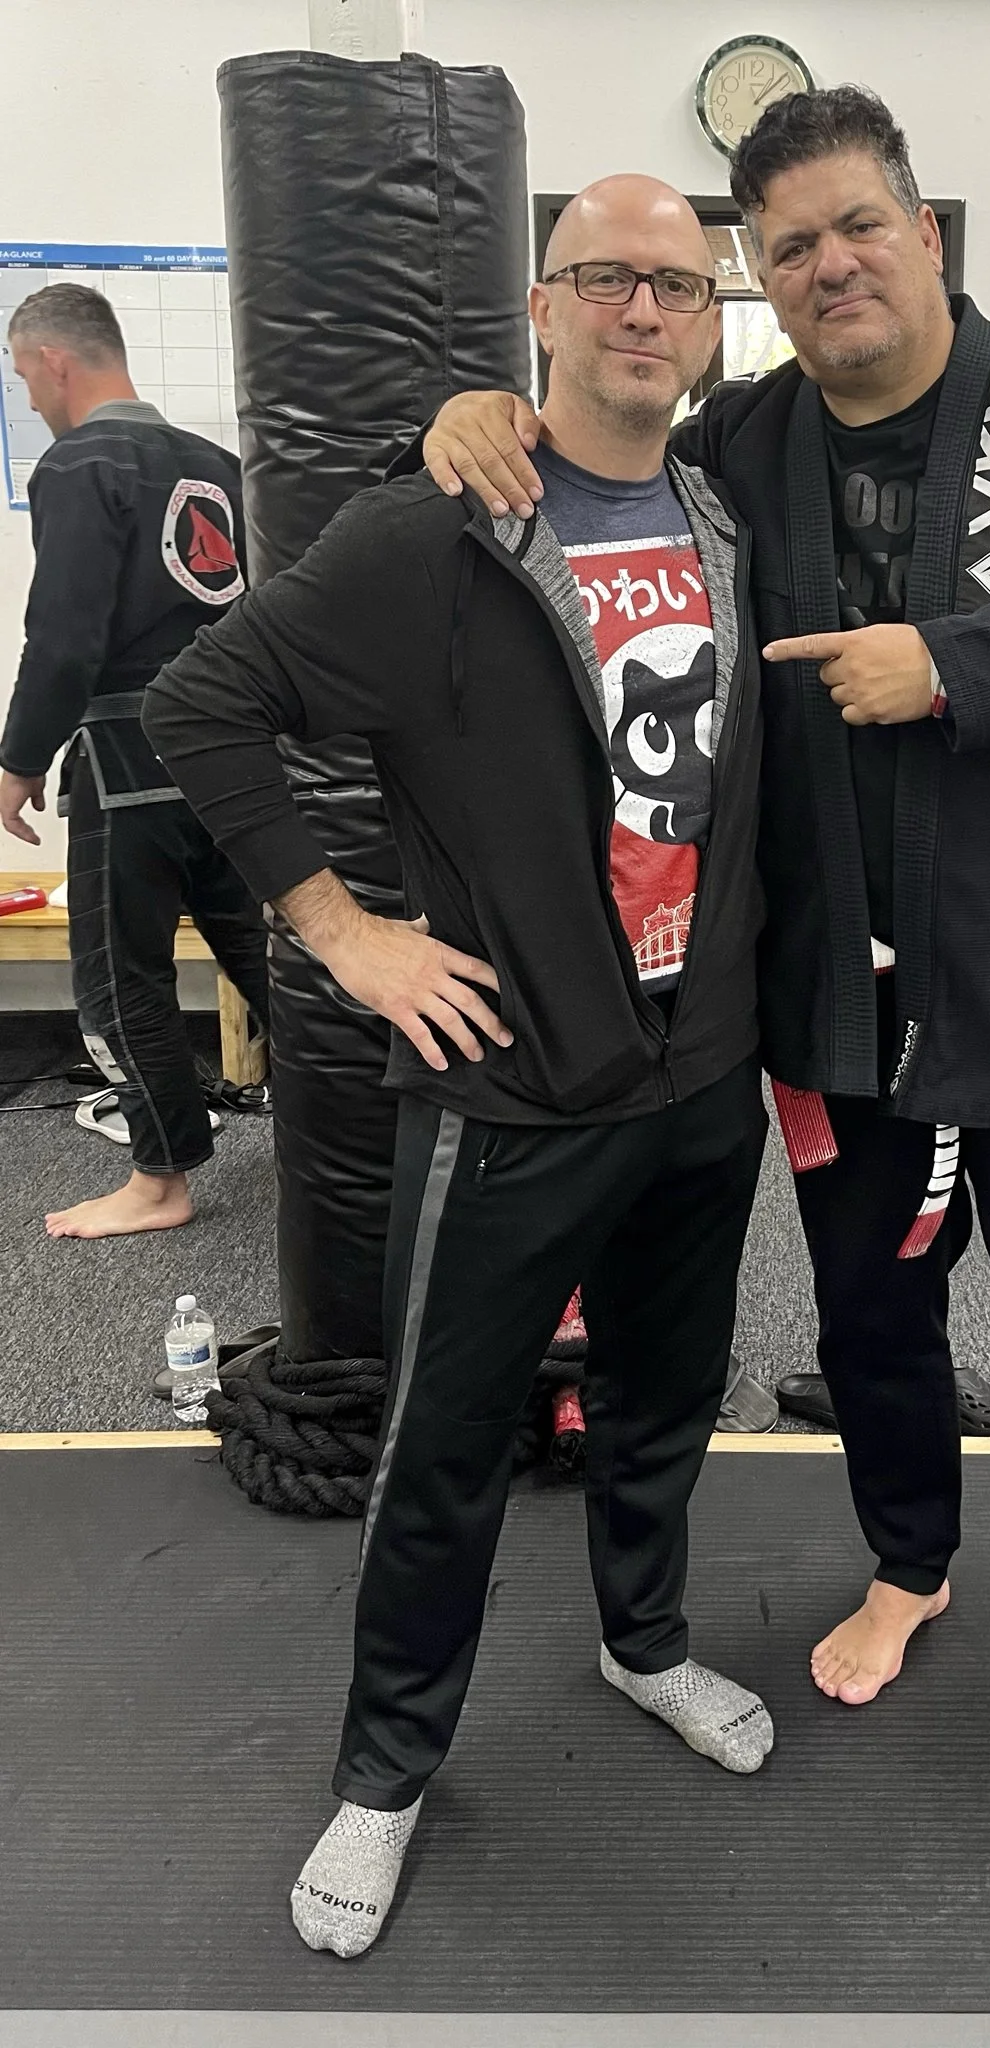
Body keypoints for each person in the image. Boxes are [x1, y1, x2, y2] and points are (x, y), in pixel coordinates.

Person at [416, 87, 990, 1813]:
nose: (827, 263)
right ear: (759, 286)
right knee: (874, 1318)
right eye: (786, 247)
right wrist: (478, 412)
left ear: (923, 231)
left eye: (856, 224)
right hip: (840, 1011)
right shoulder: (741, 447)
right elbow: (588, 488)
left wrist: (949, 667)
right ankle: (908, 1562)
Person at [145, 176, 774, 1960]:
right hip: (518, 1086)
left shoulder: (722, 511)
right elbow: (204, 704)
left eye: (675, 281)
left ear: (708, 316)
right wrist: (344, 936)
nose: (642, 308)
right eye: (607, 280)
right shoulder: (435, 527)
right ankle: (388, 1763)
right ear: (542, 309)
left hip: (699, 1071)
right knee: (441, 1448)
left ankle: (641, 1641)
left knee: (665, 1395)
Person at [0, 283, 268, 1239]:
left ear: (55, 361)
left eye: (24, 376)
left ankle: (160, 1180)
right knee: (267, 957)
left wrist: (19, 760)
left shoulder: (81, 463)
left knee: (120, 977)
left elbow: (65, 639)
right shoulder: (220, 464)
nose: (28, 398)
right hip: (234, 754)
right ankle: (355, 1128)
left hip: (131, 757)